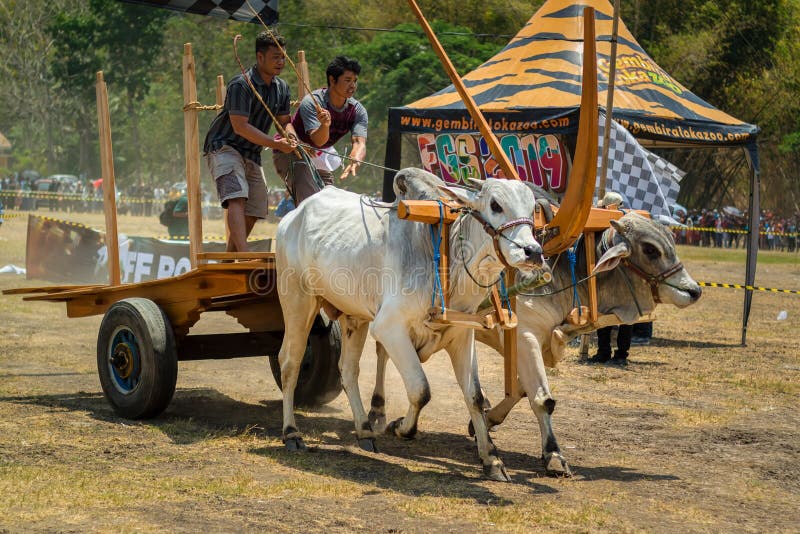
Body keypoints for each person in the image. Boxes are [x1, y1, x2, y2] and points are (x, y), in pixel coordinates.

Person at [203, 31, 298, 253]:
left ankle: (231, 255)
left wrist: (290, 134)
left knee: (257, 205)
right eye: (275, 57)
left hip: (252, 153)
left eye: (283, 57)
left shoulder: (282, 88)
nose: (281, 62)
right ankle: (244, 254)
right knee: (236, 196)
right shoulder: (241, 84)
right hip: (224, 146)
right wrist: (276, 144)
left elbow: (284, 121)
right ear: (260, 57)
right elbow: (240, 126)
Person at [273, 55, 367, 204]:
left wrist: (356, 157)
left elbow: (359, 142)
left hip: (319, 155)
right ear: (332, 80)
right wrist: (325, 125)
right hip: (291, 151)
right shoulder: (313, 102)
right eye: (348, 80)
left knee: (329, 203)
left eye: (355, 81)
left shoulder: (357, 110)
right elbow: (318, 139)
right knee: (311, 202)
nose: (353, 86)